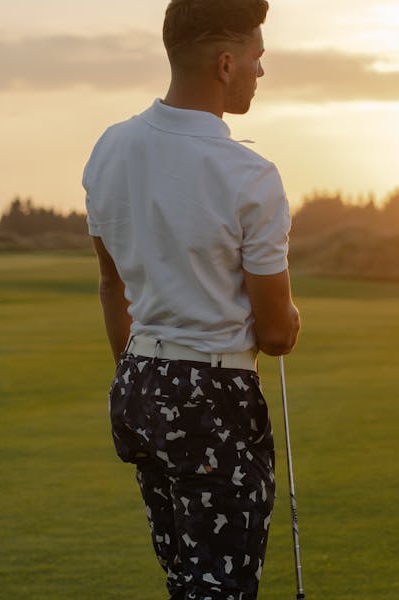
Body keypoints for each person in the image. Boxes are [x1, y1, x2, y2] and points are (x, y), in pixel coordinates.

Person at [82, 1, 300, 597]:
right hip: (211, 396)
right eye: (257, 60)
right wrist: (293, 315)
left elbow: (112, 284)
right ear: (226, 64)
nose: (261, 72)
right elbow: (278, 335)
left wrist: (143, 372)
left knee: (189, 581)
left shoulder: (110, 147)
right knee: (218, 589)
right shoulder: (249, 174)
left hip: (136, 383)